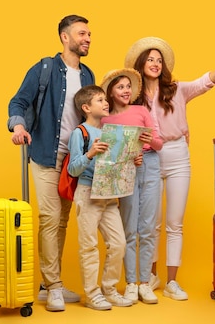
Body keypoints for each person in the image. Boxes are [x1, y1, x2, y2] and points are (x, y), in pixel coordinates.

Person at [125, 36, 215, 300]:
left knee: (174, 223)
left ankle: (172, 282)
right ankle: (150, 276)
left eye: (159, 60)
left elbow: (204, 83)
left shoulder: (177, 90)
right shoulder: (132, 95)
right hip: (147, 157)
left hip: (177, 155)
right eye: (150, 59)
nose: (155, 63)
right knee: (150, 223)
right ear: (141, 64)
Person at [7, 14, 94, 312]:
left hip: (74, 159)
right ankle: (54, 285)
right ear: (64, 37)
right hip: (45, 153)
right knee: (48, 217)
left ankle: (48, 284)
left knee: (61, 222)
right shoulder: (45, 68)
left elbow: (91, 117)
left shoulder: (88, 75)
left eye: (89, 35)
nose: (87, 39)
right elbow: (18, 101)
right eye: (82, 34)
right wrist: (18, 127)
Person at [100, 68, 164, 304]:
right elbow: (106, 156)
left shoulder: (141, 111)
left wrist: (150, 141)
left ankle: (145, 283)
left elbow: (159, 144)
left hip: (149, 164)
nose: (126, 91)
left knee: (147, 227)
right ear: (111, 92)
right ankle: (130, 283)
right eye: (120, 87)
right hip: (123, 169)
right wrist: (126, 158)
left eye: (128, 86)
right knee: (129, 228)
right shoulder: (105, 119)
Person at [68, 85, 134, 310]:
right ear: (86, 107)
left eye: (106, 99)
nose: (106, 103)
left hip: (108, 195)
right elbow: (73, 170)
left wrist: (131, 161)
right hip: (87, 194)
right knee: (89, 247)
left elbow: (114, 163)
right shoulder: (81, 133)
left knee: (118, 243)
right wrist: (90, 153)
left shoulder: (111, 131)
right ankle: (92, 294)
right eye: (99, 100)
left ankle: (109, 289)